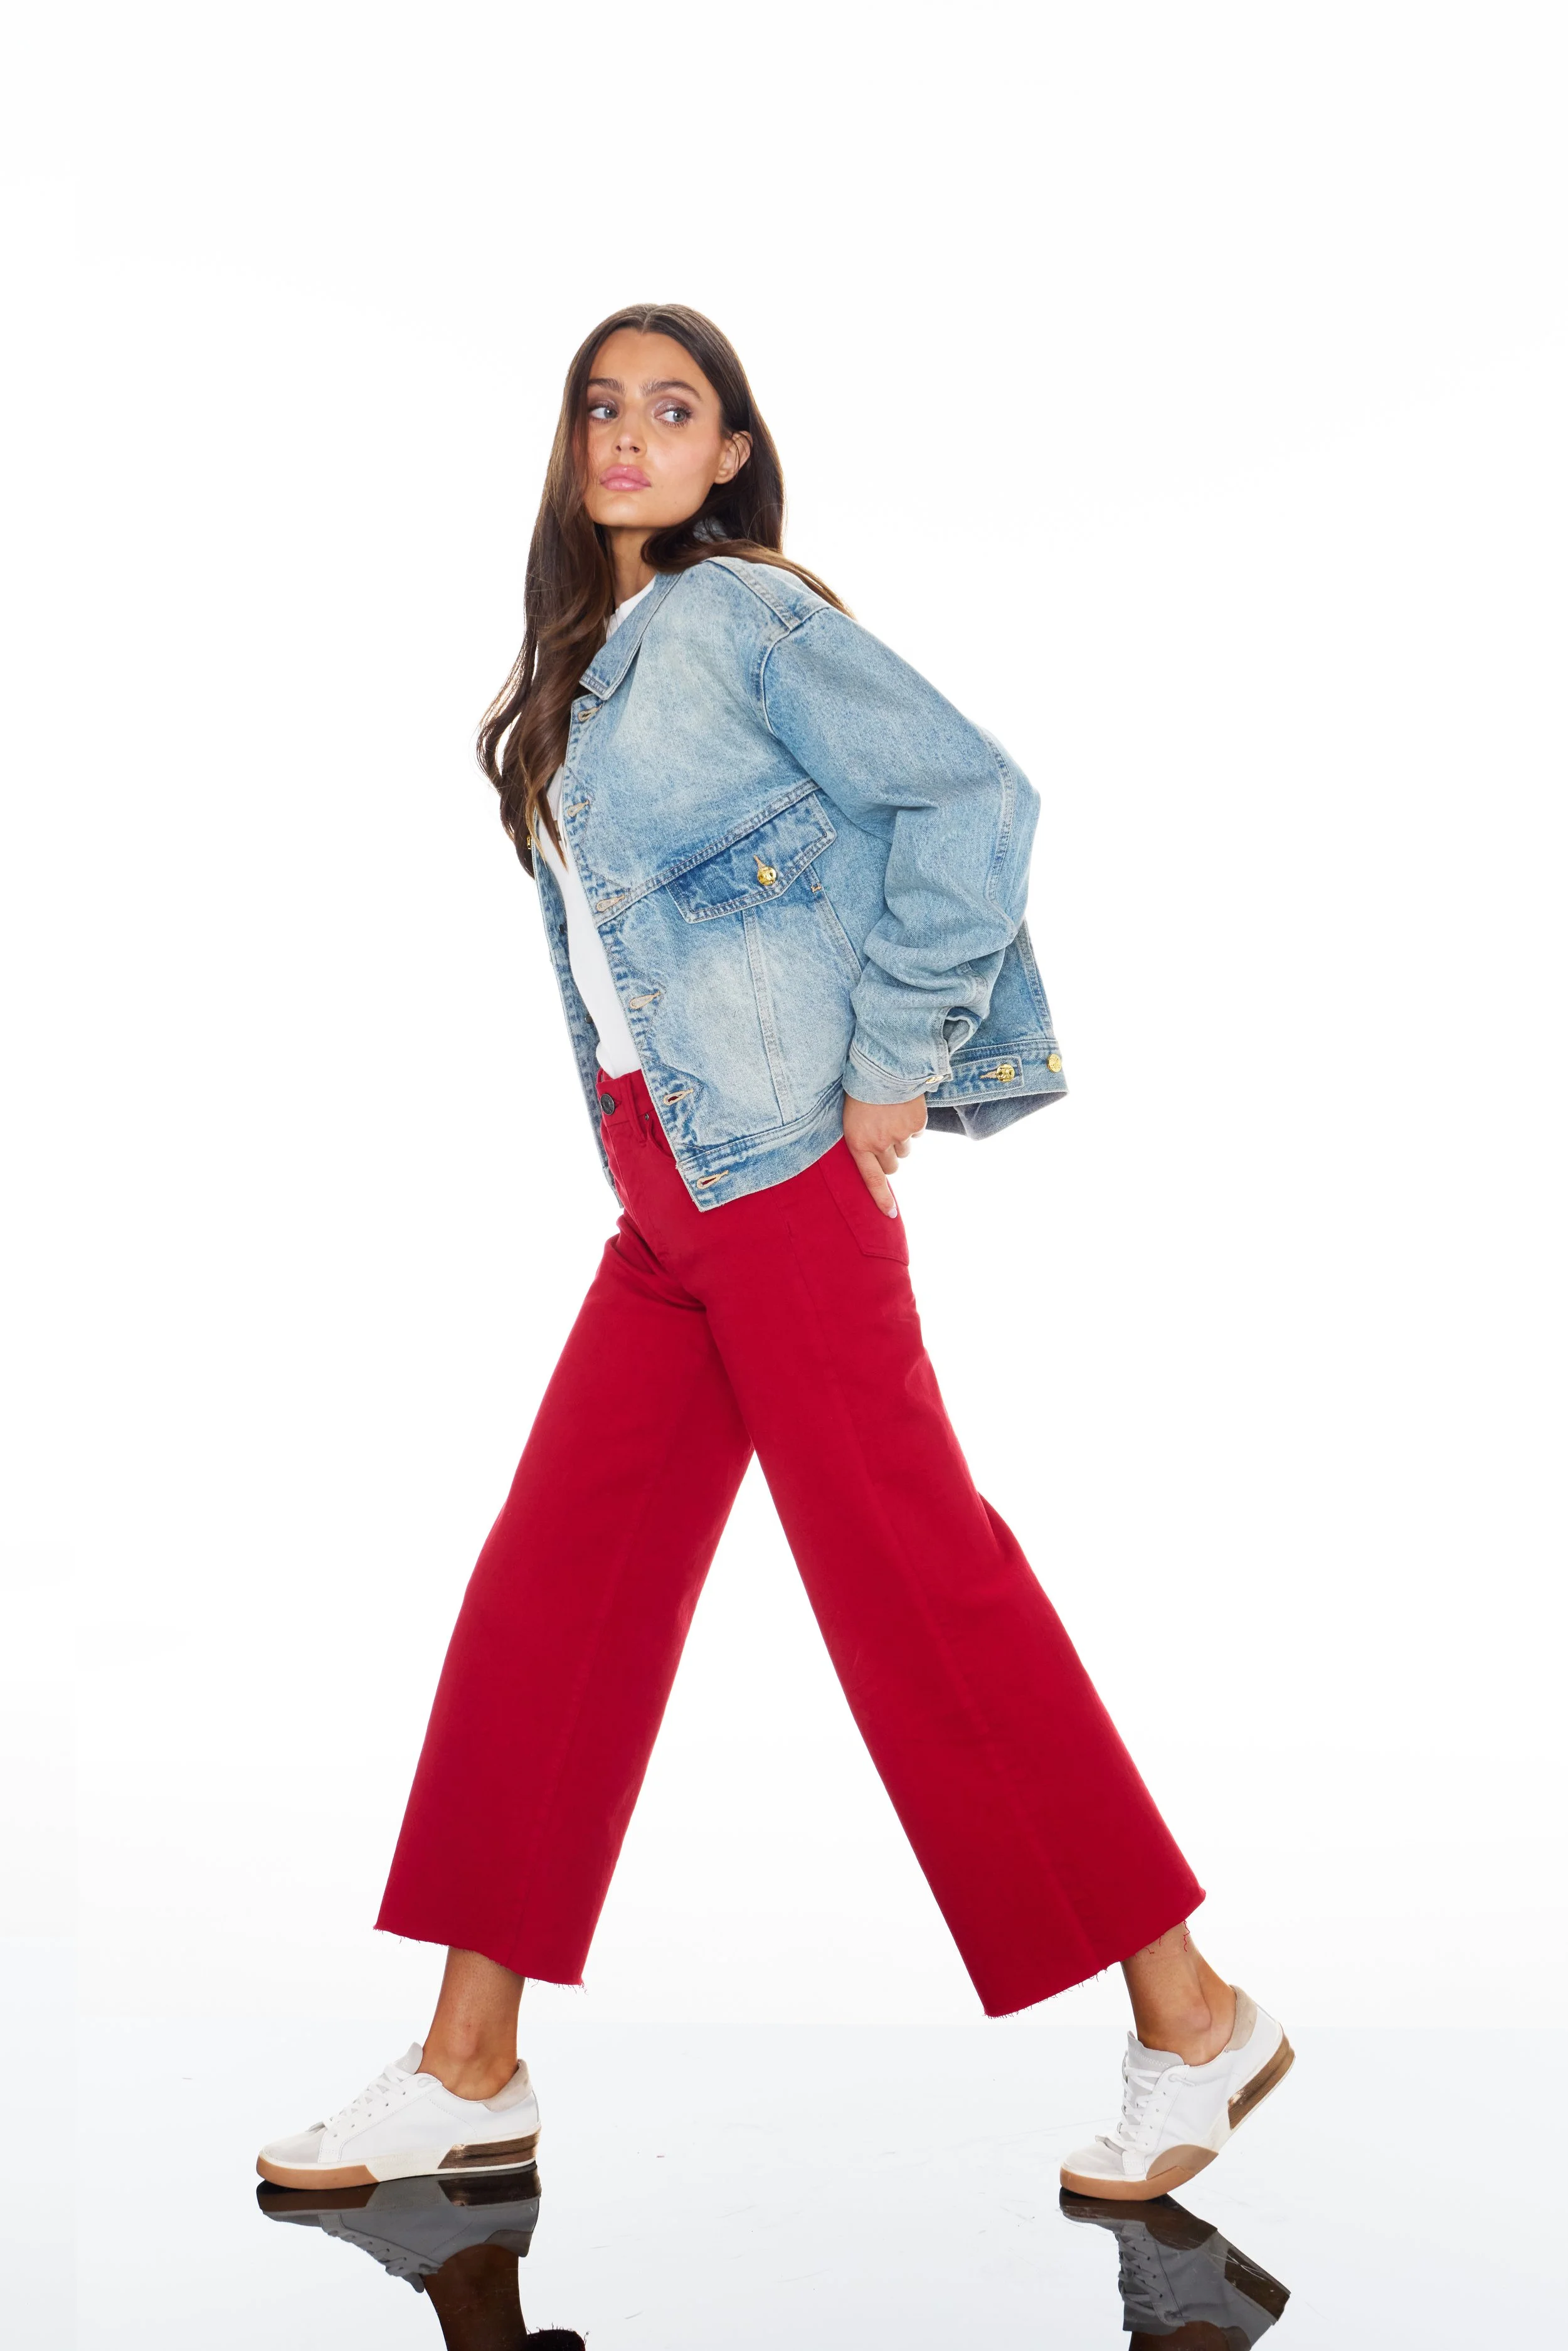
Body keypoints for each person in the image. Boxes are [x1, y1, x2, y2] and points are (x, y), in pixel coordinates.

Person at [257, 305, 1292, 2207]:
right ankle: (470, 2064)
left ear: (730, 449)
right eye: (601, 407)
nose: (628, 435)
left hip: (784, 1178)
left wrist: (894, 1066)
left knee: (915, 1586)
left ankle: (1192, 2012)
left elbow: (972, 793)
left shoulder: (737, 617)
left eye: (672, 409)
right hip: (667, 1194)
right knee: (550, 1595)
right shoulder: (590, 660)